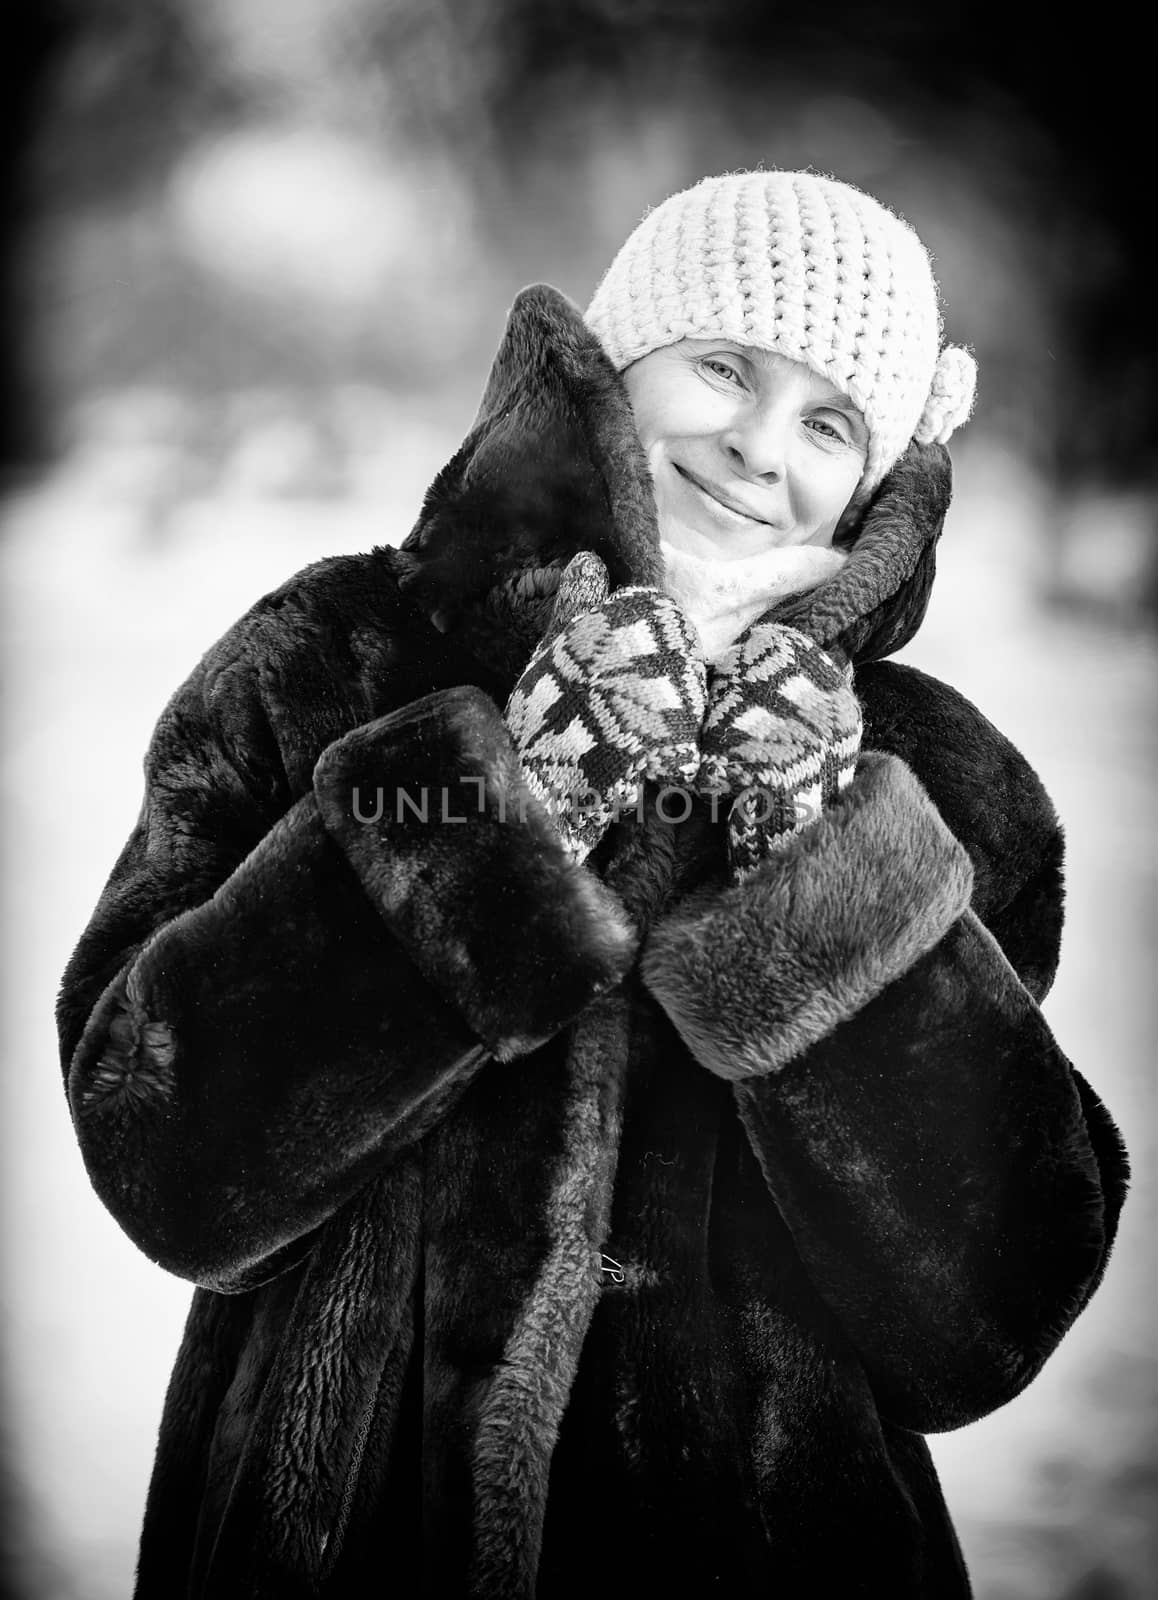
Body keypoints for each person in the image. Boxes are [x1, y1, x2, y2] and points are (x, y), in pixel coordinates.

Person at [57, 169, 1128, 1599]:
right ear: (620, 366)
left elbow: (989, 1314)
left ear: (873, 480)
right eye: (723, 369)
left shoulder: (935, 775)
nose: (759, 447)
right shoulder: (336, 653)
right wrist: (506, 806)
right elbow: (164, 1159)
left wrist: (824, 873)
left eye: (827, 422)